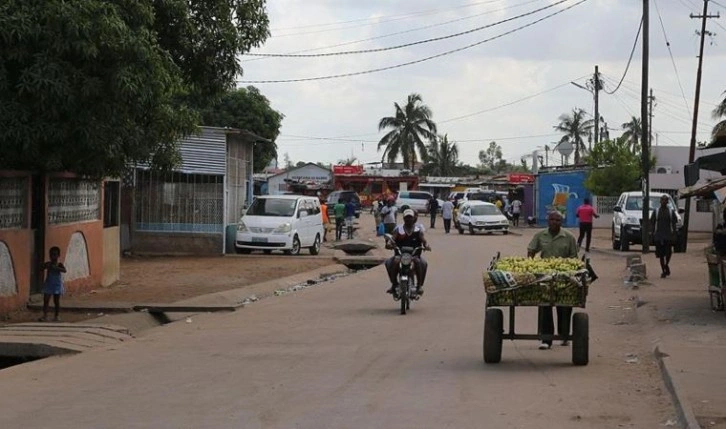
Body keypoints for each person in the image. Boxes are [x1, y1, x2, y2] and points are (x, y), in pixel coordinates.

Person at [527, 211, 578, 350]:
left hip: (564, 275)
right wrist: (531, 265)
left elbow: (574, 257)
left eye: (558, 220)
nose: (555, 222)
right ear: (548, 220)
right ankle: (546, 339)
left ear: (561, 222)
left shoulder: (568, 237)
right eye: (552, 220)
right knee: (545, 306)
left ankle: (564, 335)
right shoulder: (540, 235)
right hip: (544, 276)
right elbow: (531, 250)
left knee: (564, 306)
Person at [385, 209, 431, 297]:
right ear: (403, 218)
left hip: (414, 255)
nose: (408, 219)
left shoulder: (418, 230)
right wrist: (390, 244)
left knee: (422, 263)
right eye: (407, 217)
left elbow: (424, 241)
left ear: (414, 218)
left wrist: (426, 246)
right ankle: (394, 284)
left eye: (410, 217)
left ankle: (419, 286)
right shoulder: (399, 230)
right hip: (400, 255)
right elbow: (392, 239)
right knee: (391, 262)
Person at [650, 195, 678, 278]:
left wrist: (674, 235)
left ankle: (666, 265)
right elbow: (652, 224)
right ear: (660, 201)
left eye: (665, 200)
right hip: (658, 235)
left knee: (668, 252)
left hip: (668, 235)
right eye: (662, 200)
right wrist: (652, 235)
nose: (664, 202)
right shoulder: (656, 211)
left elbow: (674, 224)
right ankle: (664, 270)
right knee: (661, 255)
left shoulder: (670, 212)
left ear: (667, 202)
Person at [39, 246, 67, 322]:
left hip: (57, 285)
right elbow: (41, 268)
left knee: (56, 301)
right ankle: (45, 315)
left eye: (55, 254)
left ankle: (57, 316)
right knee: (46, 300)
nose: (53, 256)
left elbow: (64, 270)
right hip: (49, 284)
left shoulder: (59, 264)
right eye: (51, 255)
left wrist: (56, 268)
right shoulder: (48, 264)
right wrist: (45, 266)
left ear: (58, 255)